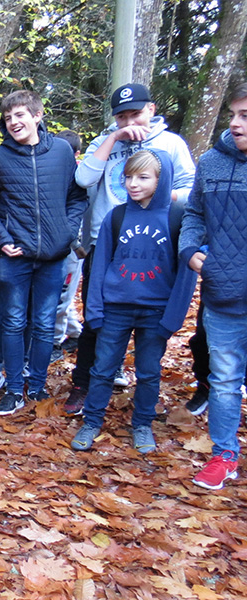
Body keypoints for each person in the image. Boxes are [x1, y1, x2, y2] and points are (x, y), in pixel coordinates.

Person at [64, 83, 196, 415]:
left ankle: (142, 399)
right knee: (98, 319)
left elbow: (191, 188)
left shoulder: (170, 144)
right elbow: (83, 178)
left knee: (146, 327)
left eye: (135, 114)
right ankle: (85, 386)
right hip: (105, 239)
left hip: (152, 243)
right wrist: (114, 139)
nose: (130, 122)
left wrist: (157, 202)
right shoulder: (107, 140)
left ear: (151, 110)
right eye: (121, 117)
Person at [70, 150, 196, 452]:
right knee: (102, 369)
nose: (133, 184)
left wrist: (173, 318)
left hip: (156, 311)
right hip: (116, 308)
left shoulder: (178, 217)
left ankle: (142, 424)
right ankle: (92, 420)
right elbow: (99, 267)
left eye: (143, 177)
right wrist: (95, 311)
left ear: (161, 179)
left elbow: (186, 274)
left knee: (149, 372)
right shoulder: (118, 216)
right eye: (128, 177)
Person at [0, 90, 87, 416]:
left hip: (54, 257)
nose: (14, 122)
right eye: (8, 117)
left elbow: (76, 197)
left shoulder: (62, 152)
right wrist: (2, 238)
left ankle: (36, 386)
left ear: (37, 116)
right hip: (15, 256)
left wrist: (66, 232)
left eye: (20, 115)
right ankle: (13, 391)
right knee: (12, 322)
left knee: (43, 323)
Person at [180, 83, 247, 490]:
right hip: (223, 293)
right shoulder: (212, 163)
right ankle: (224, 454)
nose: (236, 123)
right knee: (223, 380)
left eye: (245, 116)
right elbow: (194, 213)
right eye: (234, 115)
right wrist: (190, 248)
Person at [51, 130, 85, 362]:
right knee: (60, 296)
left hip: (73, 248)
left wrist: (75, 241)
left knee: (62, 297)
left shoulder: (79, 178)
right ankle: (75, 333)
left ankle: (55, 342)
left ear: (76, 154)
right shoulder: (51, 173)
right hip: (52, 247)